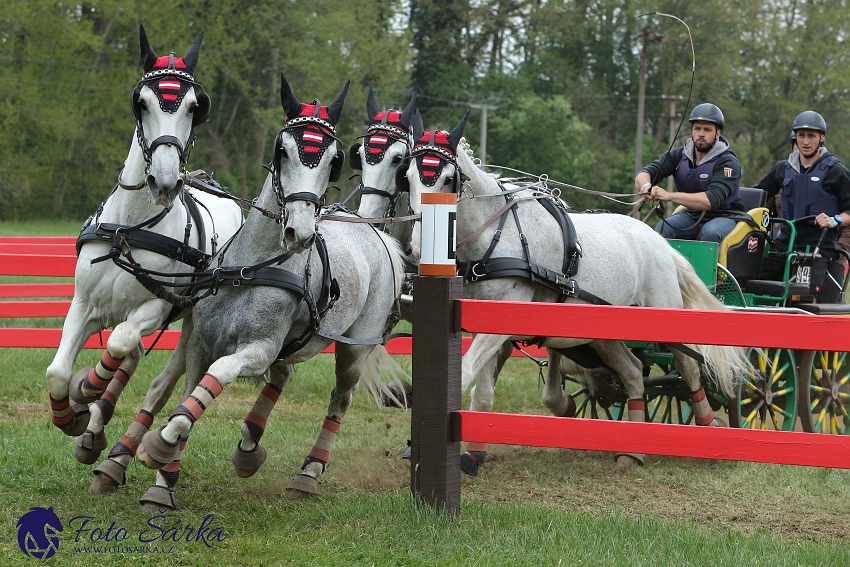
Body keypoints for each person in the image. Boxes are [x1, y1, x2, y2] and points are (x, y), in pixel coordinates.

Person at [754, 111, 850, 302]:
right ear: (795, 138)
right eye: (801, 136)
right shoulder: (782, 168)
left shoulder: (836, 171)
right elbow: (757, 196)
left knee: (800, 295)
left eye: (811, 136)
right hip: (785, 241)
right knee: (753, 278)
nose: (805, 141)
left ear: (821, 137)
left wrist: (834, 220)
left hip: (817, 245)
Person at [635, 103, 745, 243]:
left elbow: (711, 200)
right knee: (663, 228)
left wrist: (668, 196)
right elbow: (646, 172)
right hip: (692, 215)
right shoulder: (680, 154)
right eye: (697, 128)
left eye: (707, 130)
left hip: (726, 216)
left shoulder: (728, 162)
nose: (701, 134)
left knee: (710, 232)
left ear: (718, 133)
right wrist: (645, 185)